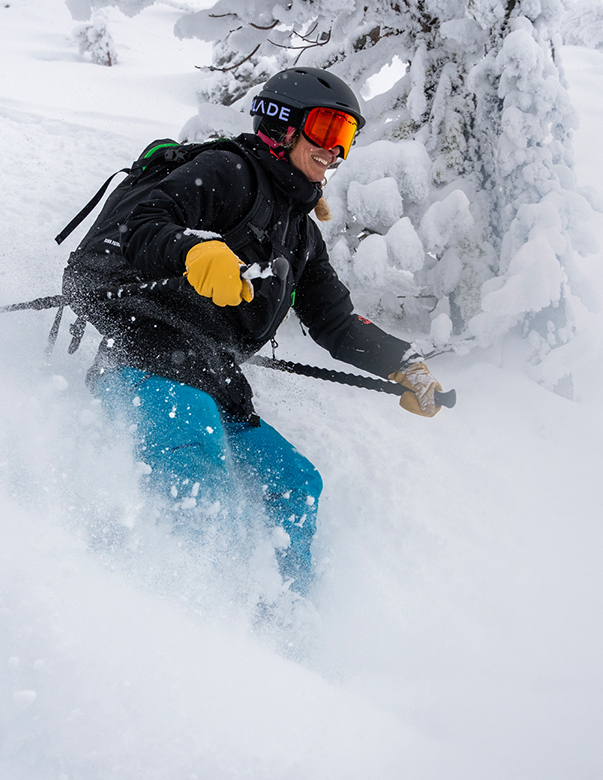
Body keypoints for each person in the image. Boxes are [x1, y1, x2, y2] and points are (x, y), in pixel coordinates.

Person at [67, 67, 444, 596]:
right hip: (142, 355)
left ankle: (281, 627)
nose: (335, 152)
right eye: (327, 130)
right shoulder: (227, 171)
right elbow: (144, 223)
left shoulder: (301, 233)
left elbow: (335, 321)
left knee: (297, 485)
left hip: (213, 380)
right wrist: (192, 249)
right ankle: (183, 614)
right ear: (282, 125)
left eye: (346, 138)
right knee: (194, 455)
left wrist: (402, 362)